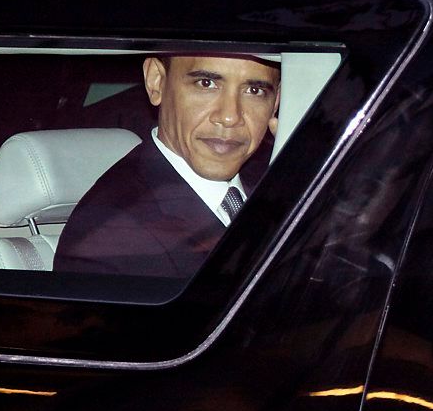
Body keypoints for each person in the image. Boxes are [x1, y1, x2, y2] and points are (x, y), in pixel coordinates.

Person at [53, 53, 281, 277]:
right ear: (156, 81)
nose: (230, 117)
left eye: (254, 91)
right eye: (206, 83)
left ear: (277, 101)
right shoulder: (106, 240)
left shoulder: (280, 180)